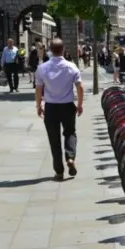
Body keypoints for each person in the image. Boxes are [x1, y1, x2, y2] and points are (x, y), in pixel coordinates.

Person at [34, 38, 84, 181]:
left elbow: (39, 89)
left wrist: (39, 105)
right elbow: (79, 87)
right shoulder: (71, 67)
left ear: (50, 50)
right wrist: (80, 104)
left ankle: (59, 171)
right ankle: (70, 156)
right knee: (70, 133)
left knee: (54, 139)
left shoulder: (42, 68)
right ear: (63, 50)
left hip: (51, 107)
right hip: (67, 106)